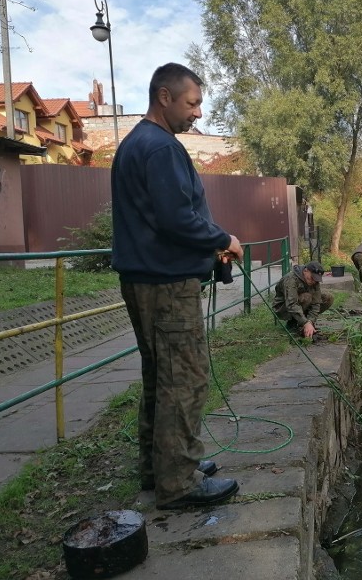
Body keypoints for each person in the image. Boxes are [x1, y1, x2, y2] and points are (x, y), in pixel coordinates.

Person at [111, 63, 241, 510]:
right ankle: (179, 482)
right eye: (192, 103)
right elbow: (176, 219)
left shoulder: (135, 144)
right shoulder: (160, 148)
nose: (198, 114)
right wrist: (223, 240)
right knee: (184, 380)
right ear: (164, 97)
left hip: (144, 278)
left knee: (160, 378)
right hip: (165, 284)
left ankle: (161, 468)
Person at [273, 261, 334, 338]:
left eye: (316, 279)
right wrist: (305, 323)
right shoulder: (290, 279)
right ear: (305, 271)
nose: (314, 281)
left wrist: (310, 321)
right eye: (312, 278)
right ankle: (292, 323)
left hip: (301, 304)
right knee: (307, 297)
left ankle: (305, 323)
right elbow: (291, 304)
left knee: (327, 298)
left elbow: (316, 303)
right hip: (283, 308)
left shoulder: (314, 282)